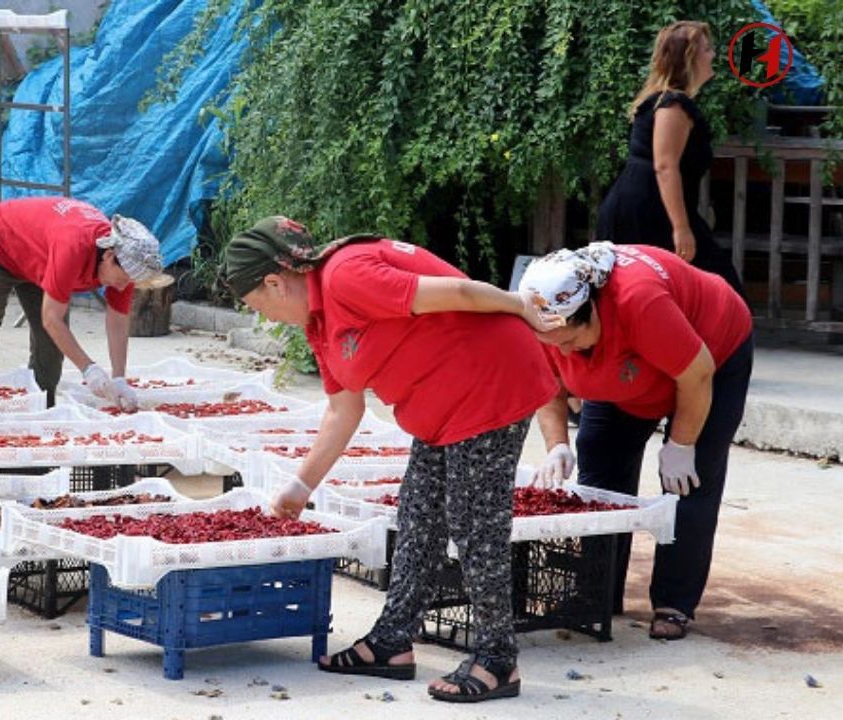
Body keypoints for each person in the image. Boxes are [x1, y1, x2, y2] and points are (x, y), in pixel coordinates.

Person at [221, 217, 561, 703]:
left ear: (274, 282)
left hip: (491, 382)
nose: (266, 317)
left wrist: (520, 307)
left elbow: (459, 295)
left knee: (473, 522)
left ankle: (497, 659)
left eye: (258, 305)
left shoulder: (346, 275)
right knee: (418, 516)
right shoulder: (319, 323)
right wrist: (298, 490)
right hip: (441, 404)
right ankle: (392, 641)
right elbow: (344, 410)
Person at [521, 242, 753, 641]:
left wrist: (681, 444)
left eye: (568, 341)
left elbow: (696, 374)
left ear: (591, 309)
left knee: (687, 483)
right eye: (551, 344)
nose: (562, 352)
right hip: (630, 375)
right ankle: (595, 590)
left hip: (710, 355)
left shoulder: (639, 302)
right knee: (599, 465)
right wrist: (558, 444)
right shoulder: (545, 321)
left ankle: (674, 603)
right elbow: (548, 387)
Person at [0, 196, 163, 409]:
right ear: (108, 256)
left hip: (39, 259)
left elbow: (118, 319)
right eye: (124, 278)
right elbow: (52, 319)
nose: (123, 286)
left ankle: (42, 410)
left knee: (50, 346)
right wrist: (89, 369)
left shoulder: (124, 264)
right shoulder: (74, 247)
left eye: (130, 281)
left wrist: (119, 378)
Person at [597, 20, 744, 296]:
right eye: (707, 49)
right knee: (720, 290)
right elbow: (665, 166)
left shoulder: (668, 101)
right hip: (647, 213)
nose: (713, 55)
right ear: (690, 58)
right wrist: (681, 228)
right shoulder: (672, 105)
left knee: (690, 294)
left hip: (651, 208)